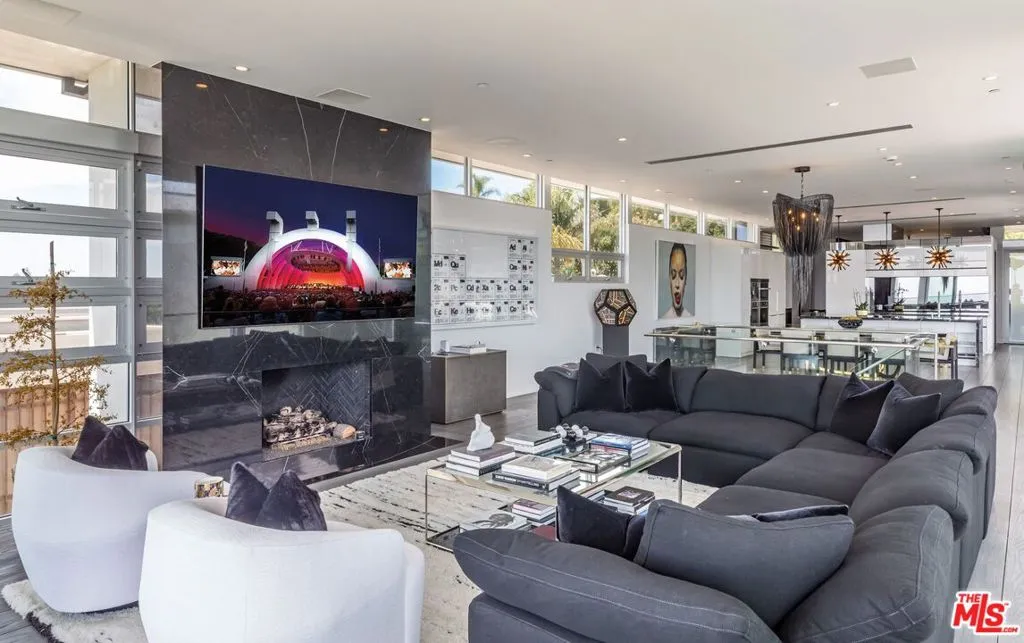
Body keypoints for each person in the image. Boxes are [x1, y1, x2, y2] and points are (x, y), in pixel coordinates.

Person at [660, 243, 692, 318]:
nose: (677, 284)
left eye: (681, 275)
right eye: (673, 275)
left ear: (686, 278)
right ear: (669, 278)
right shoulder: (664, 318)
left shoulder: (691, 318)